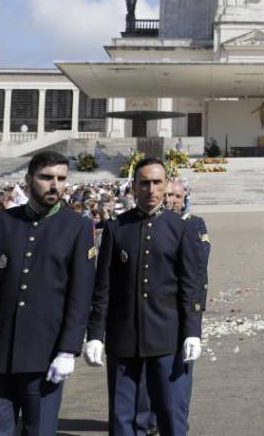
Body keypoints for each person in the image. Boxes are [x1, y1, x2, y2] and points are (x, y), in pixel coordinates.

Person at [0, 151, 96, 436]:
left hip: (45, 356)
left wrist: (68, 349)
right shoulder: (2, 223)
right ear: (29, 179)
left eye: (61, 179)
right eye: (47, 178)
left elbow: (80, 294)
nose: (55, 185)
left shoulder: (77, 227)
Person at [84, 159, 207, 435]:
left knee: (171, 416)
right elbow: (103, 286)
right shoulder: (117, 228)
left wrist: (192, 331)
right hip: (123, 339)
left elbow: (190, 285)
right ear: (133, 186)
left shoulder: (182, 227)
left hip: (167, 337)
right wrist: (95, 334)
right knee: (122, 420)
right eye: (144, 183)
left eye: (157, 182)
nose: (151, 189)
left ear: (166, 186)